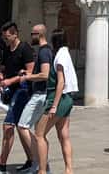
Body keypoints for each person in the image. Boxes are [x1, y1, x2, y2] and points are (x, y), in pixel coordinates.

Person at [0, 22, 35, 173]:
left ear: (15, 34)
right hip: (12, 91)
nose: (4, 40)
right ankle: (33, 160)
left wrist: (10, 81)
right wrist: (0, 74)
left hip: (23, 92)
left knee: (8, 126)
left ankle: (2, 164)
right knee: (21, 127)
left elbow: (30, 72)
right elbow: (4, 67)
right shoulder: (6, 50)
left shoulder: (25, 49)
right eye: (3, 37)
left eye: (6, 37)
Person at [35, 29, 78, 174]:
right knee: (63, 135)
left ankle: (42, 170)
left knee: (39, 134)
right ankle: (69, 169)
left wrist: (53, 106)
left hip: (58, 98)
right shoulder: (66, 54)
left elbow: (61, 82)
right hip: (68, 98)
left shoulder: (60, 56)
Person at [17, 24, 55, 174]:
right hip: (42, 94)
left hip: (40, 95)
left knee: (22, 126)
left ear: (39, 35)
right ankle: (42, 165)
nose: (30, 36)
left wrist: (28, 77)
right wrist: (27, 73)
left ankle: (38, 163)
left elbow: (45, 75)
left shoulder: (44, 52)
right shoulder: (45, 50)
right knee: (40, 133)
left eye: (32, 33)